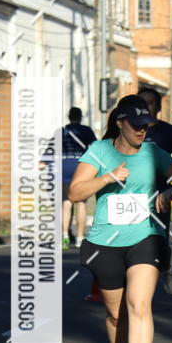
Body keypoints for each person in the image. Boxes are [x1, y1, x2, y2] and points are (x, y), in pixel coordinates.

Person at [68, 95, 172, 343]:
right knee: (116, 315)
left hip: (145, 238)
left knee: (139, 304)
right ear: (120, 122)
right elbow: (74, 193)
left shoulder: (154, 153)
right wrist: (107, 177)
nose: (143, 131)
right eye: (137, 125)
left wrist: (171, 188)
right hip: (106, 242)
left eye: (147, 125)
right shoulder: (99, 151)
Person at [138, 87, 172, 295]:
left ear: (158, 107)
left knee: (159, 239)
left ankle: (166, 267)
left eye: (150, 102)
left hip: (160, 193)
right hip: (133, 194)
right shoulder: (130, 131)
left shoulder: (167, 131)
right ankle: (138, 280)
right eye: (141, 103)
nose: (145, 107)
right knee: (134, 239)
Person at [62, 107, 96, 249]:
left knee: (66, 202)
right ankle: (80, 238)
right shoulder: (86, 131)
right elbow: (95, 147)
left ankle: (64, 237)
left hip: (64, 166)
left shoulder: (61, 131)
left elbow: (51, 149)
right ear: (81, 117)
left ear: (68, 117)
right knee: (81, 203)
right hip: (80, 167)